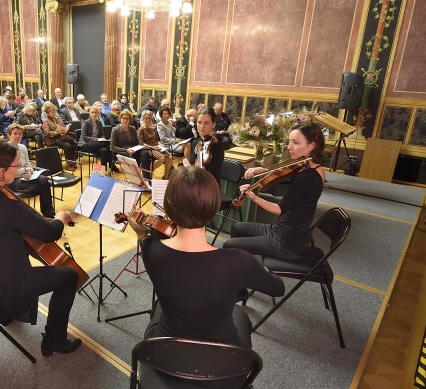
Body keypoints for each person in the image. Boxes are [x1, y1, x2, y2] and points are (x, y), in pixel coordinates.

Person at [0, 139, 81, 356]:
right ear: (0, 171)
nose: (19, 169)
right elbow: (50, 234)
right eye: (16, 166)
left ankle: (10, 313)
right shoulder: (6, 206)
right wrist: (58, 218)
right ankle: (54, 340)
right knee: (68, 276)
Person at [138, 167, 284, 348]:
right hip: (222, 361)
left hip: (164, 351)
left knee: (159, 309)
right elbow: (278, 289)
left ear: (168, 205)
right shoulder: (239, 261)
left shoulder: (150, 248)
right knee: (241, 318)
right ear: (214, 207)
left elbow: (146, 239)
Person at [223, 122, 327, 260]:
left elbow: (279, 209)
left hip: (286, 241)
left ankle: (242, 269)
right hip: (282, 229)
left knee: (228, 245)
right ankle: (242, 264)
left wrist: (253, 197)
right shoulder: (311, 167)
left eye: (295, 143)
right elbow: (285, 175)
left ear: (312, 145)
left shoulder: (308, 177)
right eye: (290, 141)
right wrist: (263, 170)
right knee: (237, 228)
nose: (289, 147)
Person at [6, 123, 55, 218]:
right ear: (8, 135)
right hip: (12, 180)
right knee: (42, 187)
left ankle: (49, 212)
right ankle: (43, 214)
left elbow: (28, 164)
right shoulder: (4, 150)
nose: (17, 136)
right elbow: (8, 173)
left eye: (20, 134)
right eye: (14, 133)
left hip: (25, 176)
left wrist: (29, 171)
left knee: (44, 179)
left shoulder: (22, 147)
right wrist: (23, 171)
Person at [184, 108, 224, 184]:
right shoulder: (195, 143)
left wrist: (203, 173)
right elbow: (191, 164)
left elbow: (215, 173)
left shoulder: (217, 145)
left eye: (206, 123)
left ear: (213, 124)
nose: (202, 126)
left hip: (210, 187)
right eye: (199, 122)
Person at [110, 109, 151, 178]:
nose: (125, 120)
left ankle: (146, 178)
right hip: (123, 152)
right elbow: (112, 147)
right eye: (123, 118)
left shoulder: (132, 128)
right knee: (133, 158)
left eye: (127, 118)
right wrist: (126, 151)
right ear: (120, 118)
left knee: (145, 153)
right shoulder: (115, 130)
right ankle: (134, 178)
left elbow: (136, 143)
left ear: (130, 120)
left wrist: (140, 146)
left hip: (133, 151)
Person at [41, 102, 77, 171]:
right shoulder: (46, 121)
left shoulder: (57, 119)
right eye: (52, 112)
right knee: (67, 145)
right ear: (48, 112)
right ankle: (68, 164)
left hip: (61, 137)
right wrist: (57, 132)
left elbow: (62, 126)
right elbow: (46, 132)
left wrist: (65, 129)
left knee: (73, 143)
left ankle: (73, 162)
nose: (54, 113)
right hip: (52, 139)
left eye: (55, 111)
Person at [138, 110, 172, 179]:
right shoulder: (140, 130)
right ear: (143, 119)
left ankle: (165, 176)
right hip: (148, 148)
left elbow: (157, 140)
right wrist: (153, 147)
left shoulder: (152, 129)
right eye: (146, 118)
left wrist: (160, 145)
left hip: (157, 146)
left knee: (170, 157)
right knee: (162, 158)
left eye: (149, 118)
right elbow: (141, 143)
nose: (148, 120)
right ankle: (148, 171)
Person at [78, 105, 113, 172]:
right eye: (92, 112)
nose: (94, 114)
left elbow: (102, 134)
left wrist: (102, 138)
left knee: (104, 151)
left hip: (97, 145)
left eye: (96, 112)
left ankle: (103, 171)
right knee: (107, 144)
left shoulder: (99, 123)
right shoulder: (86, 122)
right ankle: (112, 164)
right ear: (89, 113)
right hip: (85, 144)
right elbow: (84, 137)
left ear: (98, 114)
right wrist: (97, 140)